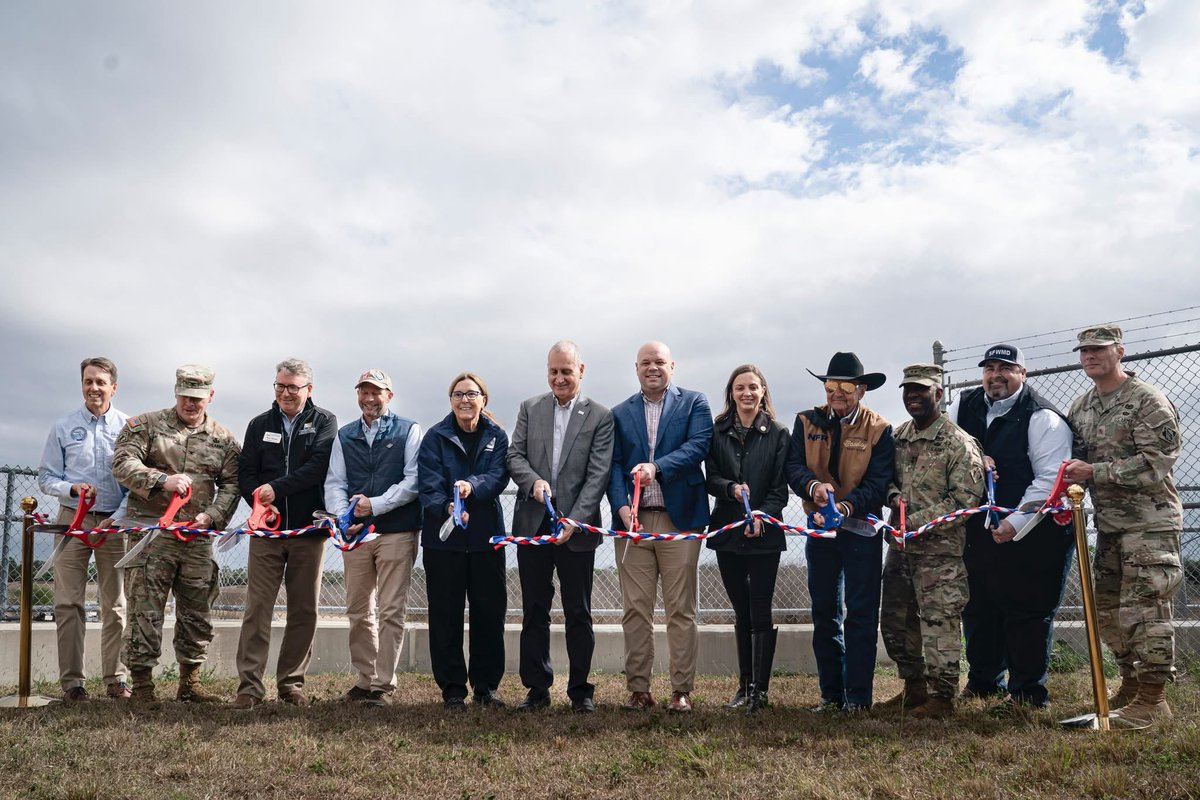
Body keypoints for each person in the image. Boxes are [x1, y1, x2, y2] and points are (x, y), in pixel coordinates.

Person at [1064, 324, 1184, 729]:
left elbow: (1157, 463)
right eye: (1083, 351)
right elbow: (1070, 461)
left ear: (1120, 351)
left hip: (1150, 525)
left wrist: (1094, 472)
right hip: (1111, 526)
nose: (1089, 357)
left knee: (1147, 610)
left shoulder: (1147, 401)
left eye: (1097, 349)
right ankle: (1131, 686)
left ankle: (1154, 700)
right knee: (1109, 611)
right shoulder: (1081, 406)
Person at [949, 344, 1074, 710]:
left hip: (1035, 532)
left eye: (1005, 368)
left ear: (1023, 374)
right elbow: (951, 449)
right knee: (979, 607)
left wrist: (1015, 522)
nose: (995, 375)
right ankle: (983, 681)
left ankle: (1026, 693)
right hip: (981, 529)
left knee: (1026, 611)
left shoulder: (1042, 418)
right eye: (989, 368)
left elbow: (1051, 480)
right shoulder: (963, 406)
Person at [111, 364, 240, 703]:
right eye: (185, 396)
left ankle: (190, 683)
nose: (191, 404)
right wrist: (160, 480)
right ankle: (142, 687)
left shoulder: (223, 439)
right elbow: (123, 462)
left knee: (197, 610)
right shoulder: (146, 426)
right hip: (151, 536)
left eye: (198, 398)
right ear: (176, 392)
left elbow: (232, 484)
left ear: (210, 396)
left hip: (196, 539)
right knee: (144, 611)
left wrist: (212, 515)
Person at [508, 341, 614, 713]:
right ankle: (537, 689)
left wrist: (575, 519)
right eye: (553, 371)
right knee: (534, 610)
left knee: (578, 612)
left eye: (566, 371)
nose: (559, 378)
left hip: (577, 531)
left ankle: (581, 691)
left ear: (580, 371)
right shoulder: (529, 408)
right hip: (532, 525)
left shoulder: (600, 416)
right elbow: (514, 455)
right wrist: (533, 482)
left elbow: (598, 474)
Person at [607, 341, 713, 713]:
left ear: (673, 366)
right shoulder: (620, 413)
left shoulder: (695, 403)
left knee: (679, 610)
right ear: (636, 368)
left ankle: (681, 690)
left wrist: (657, 467)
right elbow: (614, 465)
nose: (653, 368)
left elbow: (699, 447)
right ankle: (639, 690)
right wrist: (621, 507)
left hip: (679, 520)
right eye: (645, 363)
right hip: (634, 525)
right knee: (635, 609)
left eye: (659, 362)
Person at [786, 352, 895, 713]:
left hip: (862, 531)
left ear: (861, 390)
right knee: (824, 612)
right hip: (820, 531)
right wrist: (813, 487)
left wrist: (846, 508)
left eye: (846, 387)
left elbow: (879, 483)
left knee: (861, 614)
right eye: (831, 386)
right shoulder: (805, 422)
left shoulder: (879, 428)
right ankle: (831, 695)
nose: (837, 393)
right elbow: (793, 467)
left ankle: (859, 697)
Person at [878, 364, 984, 718]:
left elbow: (965, 501)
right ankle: (914, 686)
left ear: (938, 394)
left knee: (939, 623)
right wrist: (893, 498)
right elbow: (884, 480)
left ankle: (942, 696)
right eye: (908, 390)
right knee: (897, 618)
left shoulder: (958, 442)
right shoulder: (898, 436)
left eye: (921, 390)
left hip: (939, 554)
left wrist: (914, 522)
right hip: (901, 550)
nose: (913, 396)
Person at [232, 359, 337, 708]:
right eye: (280, 385)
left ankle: (291, 683)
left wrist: (275, 490)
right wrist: (260, 505)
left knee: (304, 609)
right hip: (267, 533)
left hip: (309, 532)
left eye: (293, 387)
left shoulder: (324, 422)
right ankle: (249, 688)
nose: (286, 393)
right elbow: (245, 472)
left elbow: (316, 468)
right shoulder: (259, 424)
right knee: (257, 609)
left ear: (309, 389)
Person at [323, 369, 422, 707]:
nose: (368, 398)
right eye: (363, 392)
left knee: (391, 610)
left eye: (375, 392)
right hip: (356, 536)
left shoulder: (409, 431)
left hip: (396, 531)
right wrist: (344, 516)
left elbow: (413, 481)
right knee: (357, 609)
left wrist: (373, 506)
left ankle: (383, 686)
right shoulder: (345, 435)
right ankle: (365, 680)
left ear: (389, 396)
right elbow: (335, 481)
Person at [37, 357, 131, 701]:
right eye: (88, 381)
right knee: (68, 603)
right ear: (82, 385)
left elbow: (134, 483)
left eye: (100, 382)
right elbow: (47, 478)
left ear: (113, 387)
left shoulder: (129, 427)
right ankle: (73, 684)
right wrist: (72, 489)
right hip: (71, 520)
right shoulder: (63, 427)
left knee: (116, 604)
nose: (94, 387)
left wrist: (120, 514)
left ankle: (116, 678)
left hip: (113, 523)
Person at [418, 372, 510, 710]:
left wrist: (471, 485)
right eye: (458, 394)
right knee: (446, 616)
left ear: (483, 399)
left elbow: (499, 475)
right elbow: (428, 484)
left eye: (471, 394)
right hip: (444, 543)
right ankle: (453, 689)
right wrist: (448, 507)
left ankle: (486, 687)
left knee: (489, 614)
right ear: (451, 400)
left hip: (487, 541)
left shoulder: (497, 437)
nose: (464, 400)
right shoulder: (435, 437)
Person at [704, 364, 790, 713]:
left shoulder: (779, 434)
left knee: (760, 609)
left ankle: (760, 690)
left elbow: (780, 489)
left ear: (763, 391)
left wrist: (762, 516)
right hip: (728, 532)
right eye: (740, 388)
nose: (747, 394)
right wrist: (729, 489)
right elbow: (710, 478)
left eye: (753, 387)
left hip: (765, 534)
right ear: (731, 393)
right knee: (741, 610)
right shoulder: (718, 430)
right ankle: (743, 686)